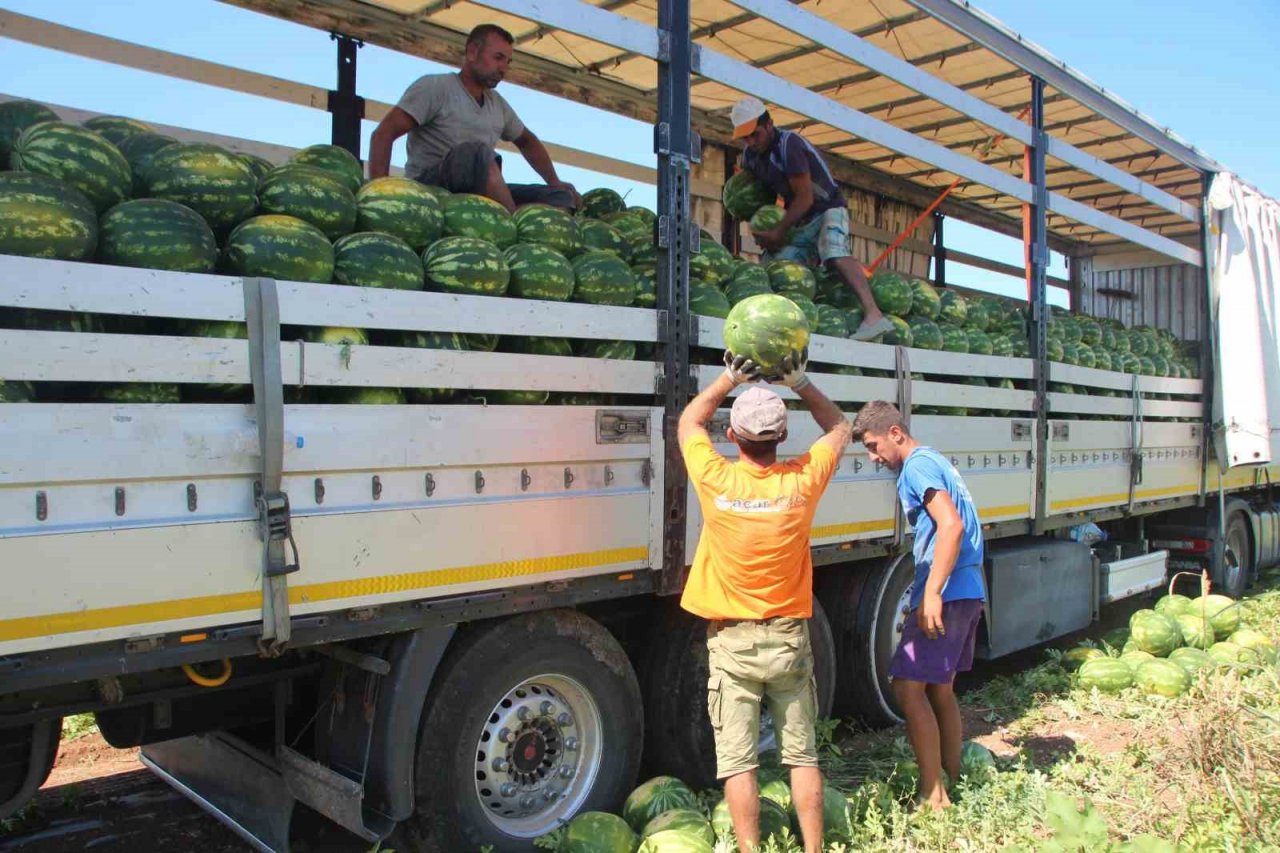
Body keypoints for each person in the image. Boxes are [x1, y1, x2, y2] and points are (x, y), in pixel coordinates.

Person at [677, 347, 851, 853]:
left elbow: (690, 420)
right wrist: (801, 382)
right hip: (789, 640)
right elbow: (840, 428)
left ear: (732, 437)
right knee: (802, 756)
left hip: (734, 645)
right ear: (782, 437)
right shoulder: (801, 482)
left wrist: (727, 379)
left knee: (739, 762)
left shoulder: (717, 478)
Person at [850, 401, 987, 810]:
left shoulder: (916, 466)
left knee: (908, 688)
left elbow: (951, 525)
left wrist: (930, 593)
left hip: (948, 590)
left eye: (875, 446)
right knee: (940, 689)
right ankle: (953, 775)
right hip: (968, 588)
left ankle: (933, 794)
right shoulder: (935, 461)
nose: (875, 458)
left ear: (896, 433)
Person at [367, 24, 580, 213]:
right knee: (476, 153)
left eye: (507, 62)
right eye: (497, 58)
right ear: (472, 52)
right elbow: (383, 135)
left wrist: (554, 181)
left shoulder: (498, 104)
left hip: (480, 190)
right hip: (432, 188)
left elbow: (527, 141)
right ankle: (510, 219)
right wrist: (381, 197)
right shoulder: (435, 88)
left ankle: (512, 217)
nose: (503, 68)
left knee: (560, 197)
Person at [730, 96, 893, 342]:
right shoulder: (751, 157)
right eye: (746, 137)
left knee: (834, 251)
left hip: (827, 208)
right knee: (776, 265)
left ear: (769, 125)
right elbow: (761, 198)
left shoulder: (790, 146)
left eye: (755, 135)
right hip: (801, 220)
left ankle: (874, 315)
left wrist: (778, 231)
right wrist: (762, 226)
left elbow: (805, 198)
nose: (751, 142)